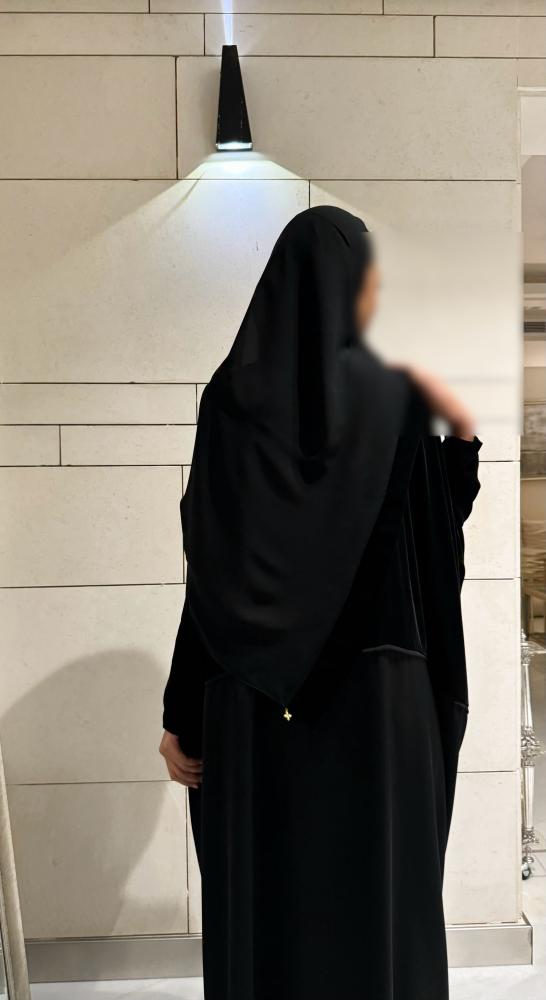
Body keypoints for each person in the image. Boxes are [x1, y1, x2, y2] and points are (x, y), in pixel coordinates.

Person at [160, 206, 481, 1000]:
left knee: (269, 909)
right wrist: (461, 438)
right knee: (375, 908)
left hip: (252, 703)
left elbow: (214, 572)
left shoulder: (230, 401)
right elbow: (431, 540)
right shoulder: (396, 397)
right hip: (379, 706)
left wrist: (181, 712)